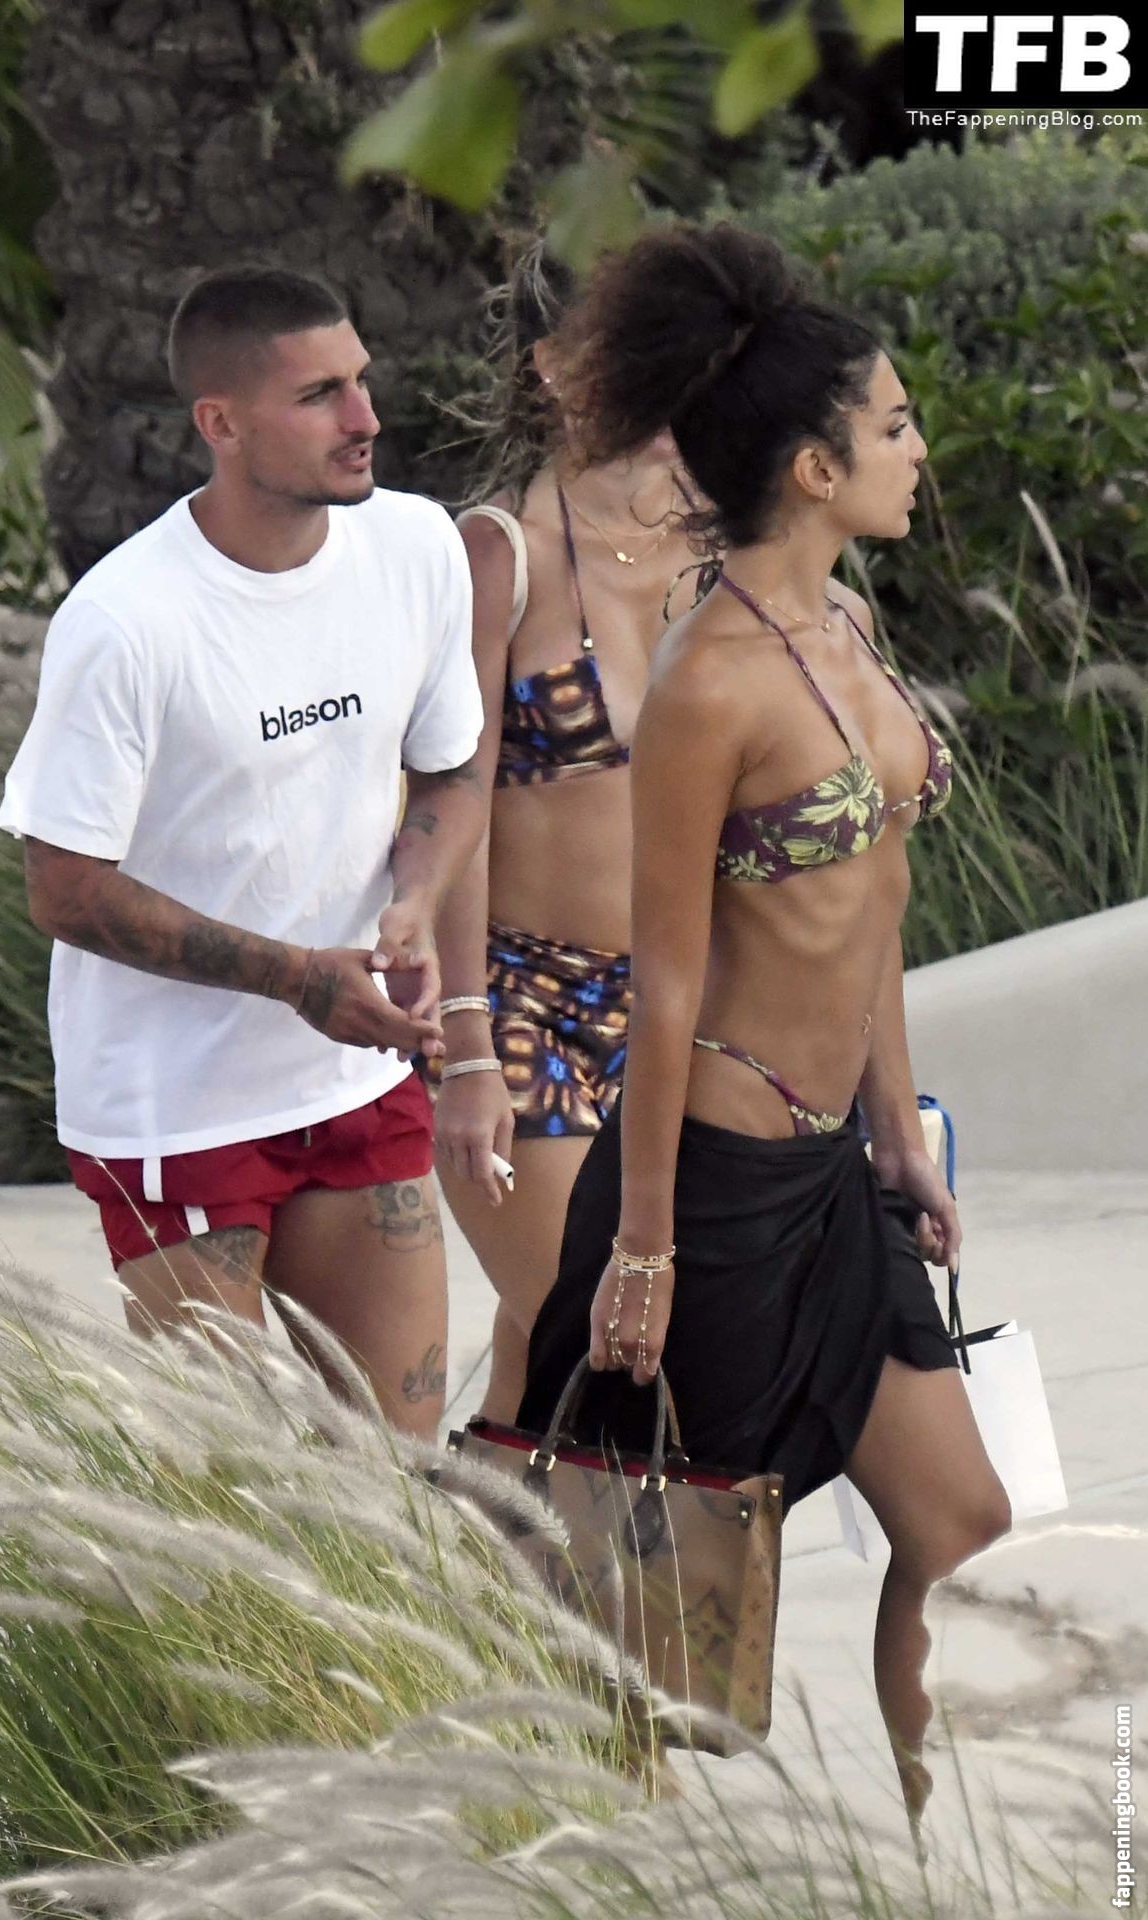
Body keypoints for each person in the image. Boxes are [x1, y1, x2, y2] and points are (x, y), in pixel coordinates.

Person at [516, 224, 1012, 1828]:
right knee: (658, 1615)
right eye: (893, 426)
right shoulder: (708, 683)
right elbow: (663, 983)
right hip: (714, 1195)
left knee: (962, 1531)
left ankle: (955, 1856)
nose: (917, 451)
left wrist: (897, 1133)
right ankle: (611, 1865)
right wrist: (642, 1251)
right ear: (811, 468)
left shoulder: (845, 628)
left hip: (833, 1178)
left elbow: (872, 906)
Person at [0, 265, 486, 1440]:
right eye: (320, 395)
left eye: (360, 382)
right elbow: (63, 890)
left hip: (356, 1074)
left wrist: (413, 899)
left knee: (398, 1474)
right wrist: (296, 977)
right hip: (175, 1109)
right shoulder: (127, 621)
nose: (365, 419)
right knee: (229, 1480)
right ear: (219, 422)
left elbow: (455, 769)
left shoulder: (416, 547)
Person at [427, 243, 709, 1422]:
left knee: (543, 1360)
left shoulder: (725, 545)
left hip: (679, 1005)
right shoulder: (496, 554)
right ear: (552, 366)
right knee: (592, 1339)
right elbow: (448, 811)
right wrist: (465, 1043)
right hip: (525, 1001)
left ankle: (478, 1526)